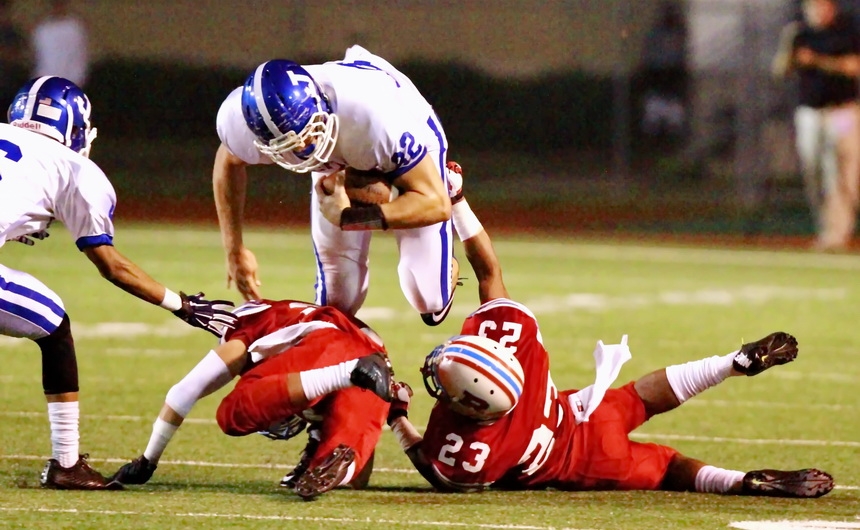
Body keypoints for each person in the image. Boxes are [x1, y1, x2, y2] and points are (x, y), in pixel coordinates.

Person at [385, 165, 835, 498]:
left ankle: (738, 482)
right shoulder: (512, 336)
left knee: (668, 469)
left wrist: (398, 420)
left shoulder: (472, 449)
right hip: (584, 412)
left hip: (583, 461)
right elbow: (489, 273)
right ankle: (729, 365)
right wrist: (459, 200)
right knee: (641, 396)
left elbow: (435, 469)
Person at [0, 76, 238, 490]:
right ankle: (67, 464)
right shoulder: (75, 167)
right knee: (53, 324)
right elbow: (111, 265)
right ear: (75, 129)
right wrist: (179, 304)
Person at [213, 44, 459, 327]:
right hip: (347, 147)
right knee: (336, 303)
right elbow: (228, 163)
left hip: (404, 125)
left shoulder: (372, 118)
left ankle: (455, 192)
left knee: (428, 298)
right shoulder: (239, 122)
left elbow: (436, 203)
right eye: (290, 145)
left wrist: (350, 218)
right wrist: (234, 250)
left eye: (308, 135)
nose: (305, 149)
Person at [110, 298, 395, 500]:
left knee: (232, 414)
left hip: (334, 350)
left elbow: (184, 391)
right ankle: (331, 448)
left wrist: (147, 460)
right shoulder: (290, 327)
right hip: (373, 355)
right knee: (341, 457)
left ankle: (350, 373)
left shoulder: (243, 328)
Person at [772, 0, 860, 252]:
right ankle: (825, 228)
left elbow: (853, 67)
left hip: (842, 112)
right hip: (810, 112)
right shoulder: (799, 33)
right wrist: (786, 48)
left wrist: (818, 61)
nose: (819, 12)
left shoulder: (847, 31)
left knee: (841, 168)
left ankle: (838, 232)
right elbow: (780, 72)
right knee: (813, 170)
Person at [31, 0, 89, 87]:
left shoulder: (74, 27)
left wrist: (78, 79)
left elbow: (80, 56)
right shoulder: (42, 29)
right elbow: (38, 57)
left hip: (71, 82)